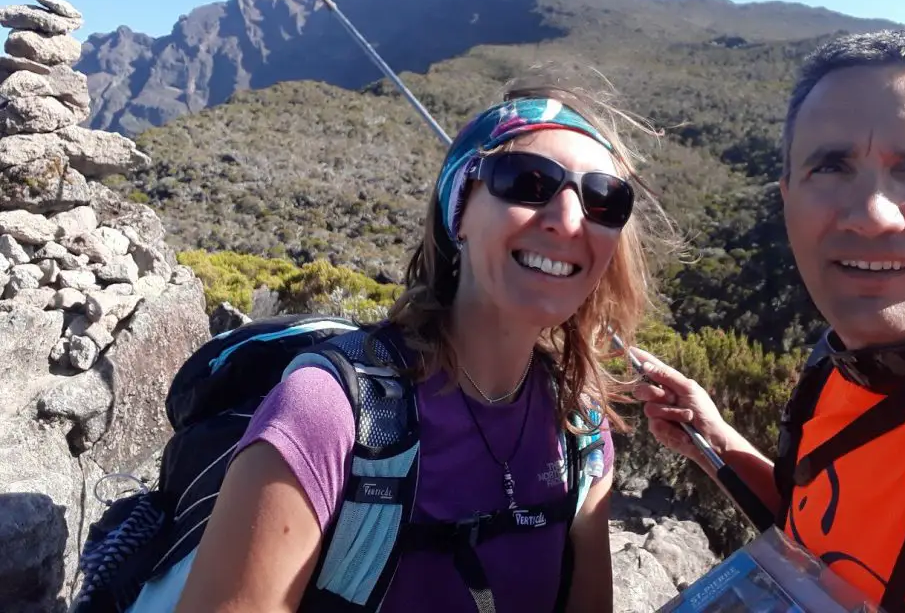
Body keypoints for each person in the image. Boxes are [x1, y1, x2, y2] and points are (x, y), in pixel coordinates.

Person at [172, 75, 672, 612]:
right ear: (459, 212)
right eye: (528, 181)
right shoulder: (329, 414)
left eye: (604, 199)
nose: (569, 219)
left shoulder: (581, 432)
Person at [633, 29, 905, 612]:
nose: (871, 215)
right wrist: (715, 440)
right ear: (787, 197)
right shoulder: (839, 367)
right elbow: (817, 535)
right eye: (831, 167)